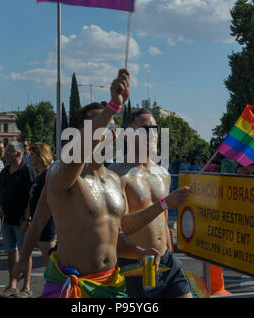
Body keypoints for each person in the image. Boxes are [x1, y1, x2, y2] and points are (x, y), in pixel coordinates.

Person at [13, 69, 160, 298]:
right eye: (98, 127)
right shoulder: (61, 174)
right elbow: (39, 220)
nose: (107, 133)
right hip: (73, 285)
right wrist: (113, 106)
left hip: (112, 284)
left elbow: (111, 234)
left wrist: (138, 251)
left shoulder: (114, 178)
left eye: (111, 127)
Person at [109, 108, 193, 298]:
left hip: (167, 261)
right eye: (145, 129)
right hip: (135, 264)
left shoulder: (162, 173)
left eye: (155, 128)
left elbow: (162, 222)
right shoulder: (117, 174)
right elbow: (120, 226)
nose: (153, 134)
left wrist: (169, 250)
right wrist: (164, 204)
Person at [0, 141, 37, 298]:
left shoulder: (27, 171)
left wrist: (27, 218)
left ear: (19, 154)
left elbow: (31, 197)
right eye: (7, 150)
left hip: (22, 221)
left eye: (10, 151)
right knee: (11, 253)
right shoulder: (5, 171)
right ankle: (12, 285)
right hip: (6, 219)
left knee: (25, 254)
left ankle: (26, 287)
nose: (6, 153)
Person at [23, 142, 56, 267]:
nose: (30, 157)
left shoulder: (48, 174)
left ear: (40, 156)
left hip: (46, 220)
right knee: (46, 254)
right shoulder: (40, 175)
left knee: (48, 256)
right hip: (37, 218)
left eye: (32, 154)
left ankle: (55, 283)